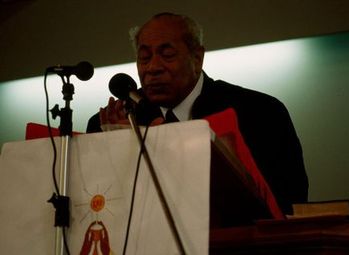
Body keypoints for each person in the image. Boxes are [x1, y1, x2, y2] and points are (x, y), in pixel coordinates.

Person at [87, 12, 308, 216]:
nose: (153, 67)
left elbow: (290, 204)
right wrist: (117, 149)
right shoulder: (110, 124)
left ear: (197, 58)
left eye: (167, 55)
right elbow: (98, 208)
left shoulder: (261, 113)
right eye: (144, 58)